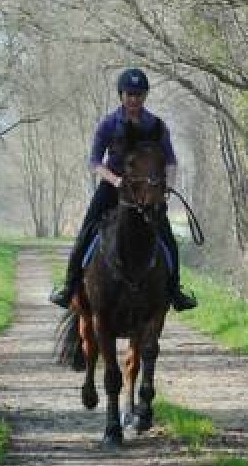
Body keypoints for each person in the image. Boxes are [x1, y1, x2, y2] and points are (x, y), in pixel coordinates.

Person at [49, 67, 197, 311]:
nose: (134, 100)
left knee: (168, 238)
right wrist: (115, 181)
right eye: (129, 94)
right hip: (112, 187)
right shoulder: (108, 124)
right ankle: (70, 285)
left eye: (138, 95)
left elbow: (170, 161)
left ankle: (175, 290)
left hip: (148, 191)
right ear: (121, 95)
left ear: (145, 96)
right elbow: (95, 162)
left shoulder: (157, 126)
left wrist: (166, 186)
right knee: (86, 231)